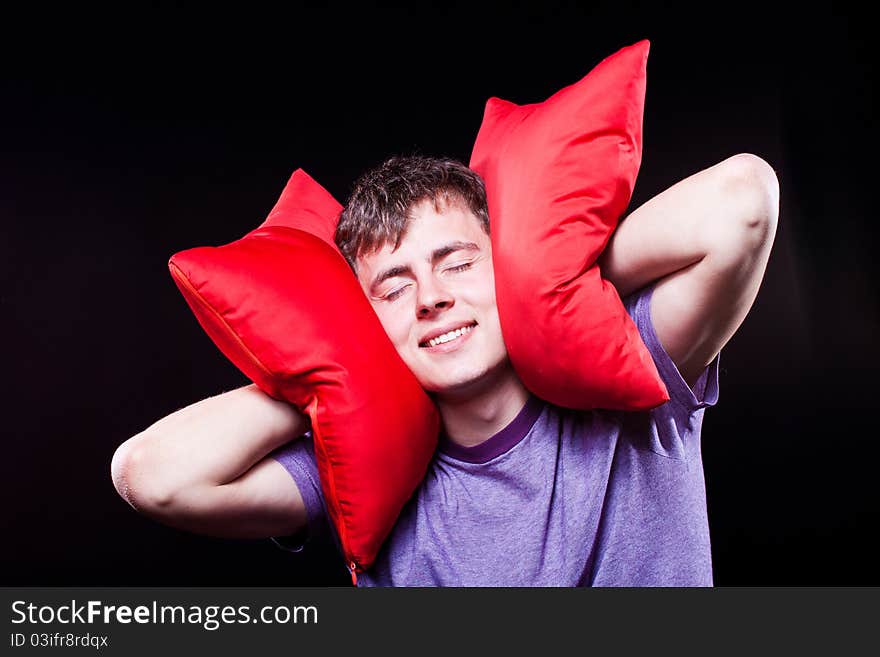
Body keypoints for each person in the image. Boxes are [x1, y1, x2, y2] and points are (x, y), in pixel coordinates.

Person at [110, 153, 779, 586]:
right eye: (393, 287)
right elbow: (152, 475)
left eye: (457, 262)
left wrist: (546, 289)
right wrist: (339, 364)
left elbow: (743, 199)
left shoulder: (629, 361)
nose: (431, 296)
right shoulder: (357, 465)